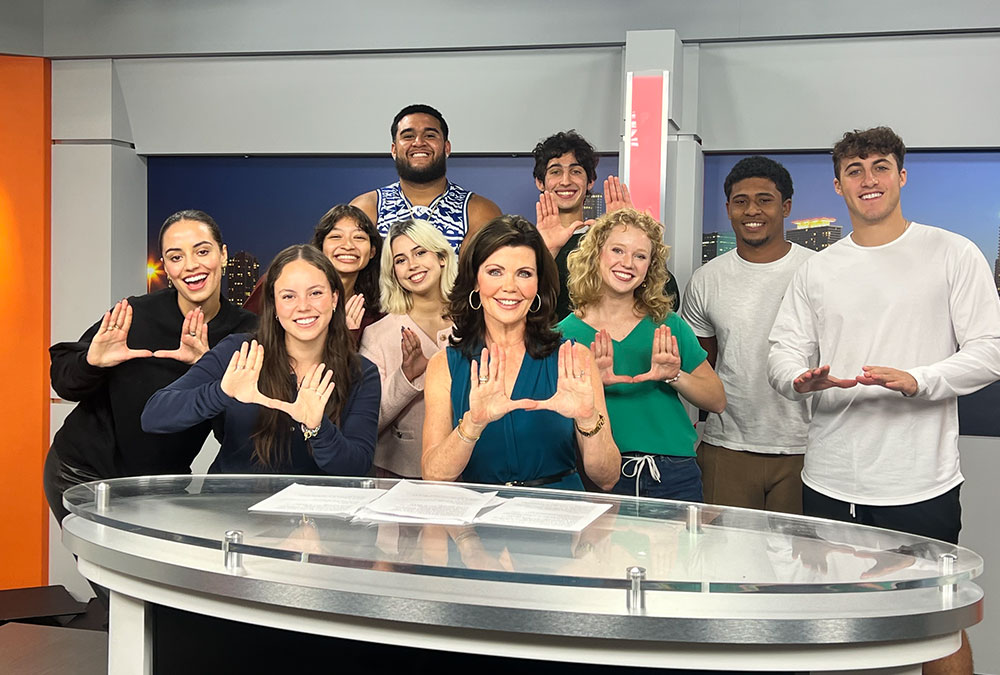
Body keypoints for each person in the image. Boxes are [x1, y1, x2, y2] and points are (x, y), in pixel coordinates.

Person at [767, 126, 1000, 674]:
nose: (868, 179)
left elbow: (991, 350)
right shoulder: (818, 268)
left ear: (901, 175)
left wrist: (919, 379)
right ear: (838, 185)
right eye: (854, 170)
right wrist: (798, 380)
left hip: (919, 481)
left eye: (880, 167)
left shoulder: (951, 253)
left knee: (937, 623)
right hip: (829, 481)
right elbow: (782, 351)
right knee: (832, 623)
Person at [44, 210, 256, 524]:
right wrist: (92, 362)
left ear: (222, 255)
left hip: (161, 486)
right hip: (82, 474)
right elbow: (64, 383)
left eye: (202, 251)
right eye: (176, 257)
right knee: (105, 558)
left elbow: (236, 433)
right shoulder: (134, 314)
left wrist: (207, 368)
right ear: (167, 268)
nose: (191, 265)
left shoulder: (246, 333)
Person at [422, 215, 620, 490]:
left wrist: (588, 419)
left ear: (538, 284)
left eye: (524, 273)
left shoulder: (575, 357)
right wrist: (473, 425)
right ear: (475, 281)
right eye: (495, 272)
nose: (510, 287)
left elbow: (607, 478)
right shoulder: (444, 365)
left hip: (560, 509)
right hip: (479, 512)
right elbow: (433, 475)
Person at [143, 245, 380, 475]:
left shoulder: (361, 372)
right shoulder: (239, 352)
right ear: (274, 304)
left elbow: (357, 467)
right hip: (234, 500)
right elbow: (154, 416)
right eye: (288, 296)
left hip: (314, 502)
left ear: (335, 298)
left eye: (316, 293)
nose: (303, 306)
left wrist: (317, 428)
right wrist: (221, 392)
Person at [559, 209, 725, 500]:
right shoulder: (562, 335)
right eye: (618, 250)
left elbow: (717, 400)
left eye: (640, 256)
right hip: (597, 473)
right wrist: (592, 385)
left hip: (673, 474)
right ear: (596, 254)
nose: (627, 263)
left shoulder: (668, 325)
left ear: (651, 266)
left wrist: (673, 375)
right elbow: (550, 419)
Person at [681, 156, 814, 514]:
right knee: (723, 548)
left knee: (800, 551)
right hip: (727, 446)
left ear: (786, 207)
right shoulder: (706, 280)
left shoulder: (817, 272)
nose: (752, 210)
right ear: (728, 209)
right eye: (741, 201)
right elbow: (701, 368)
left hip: (805, 447)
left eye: (764, 200)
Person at [531, 130, 679, 319]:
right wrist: (546, 251)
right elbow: (522, 307)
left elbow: (669, 299)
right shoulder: (526, 243)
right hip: (551, 338)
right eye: (555, 172)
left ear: (590, 182)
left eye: (576, 171)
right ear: (540, 182)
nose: (566, 181)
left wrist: (630, 232)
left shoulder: (606, 240)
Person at [360, 219, 457, 479]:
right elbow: (368, 422)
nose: (412, 265)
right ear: (393, 273)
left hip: (471, 471)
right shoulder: (377, 335)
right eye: (400, 260)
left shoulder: (475, 323)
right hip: (398, 476)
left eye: (420, 252)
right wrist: (406, 376)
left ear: (442, 258)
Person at [350, 104, 501, 250]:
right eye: (408, 136)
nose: (419, 143)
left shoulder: (477, 211)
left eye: (430, 136)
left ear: (446, 148)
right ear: (394, 150)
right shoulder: (367, 207)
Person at [245, 204, 384, 343]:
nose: (348, 246)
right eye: (336, 236)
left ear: (372, 251)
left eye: (359, 237)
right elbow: (246, 336)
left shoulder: (377, 307)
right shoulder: (279, 281)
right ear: (321, 246)